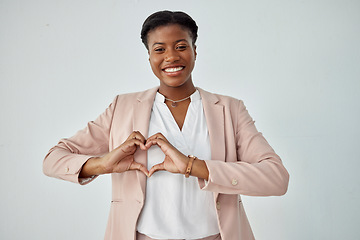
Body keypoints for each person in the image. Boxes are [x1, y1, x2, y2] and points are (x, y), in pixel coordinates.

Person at [43, 10, 289, 240]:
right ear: (149, 56)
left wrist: (194, 166)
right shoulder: (122, 107)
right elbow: (53, 159)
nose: (171, 57)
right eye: (159, 49)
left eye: (181, 46)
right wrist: (102, 163)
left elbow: (276, 178)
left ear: (195, 50)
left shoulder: (229, 110)